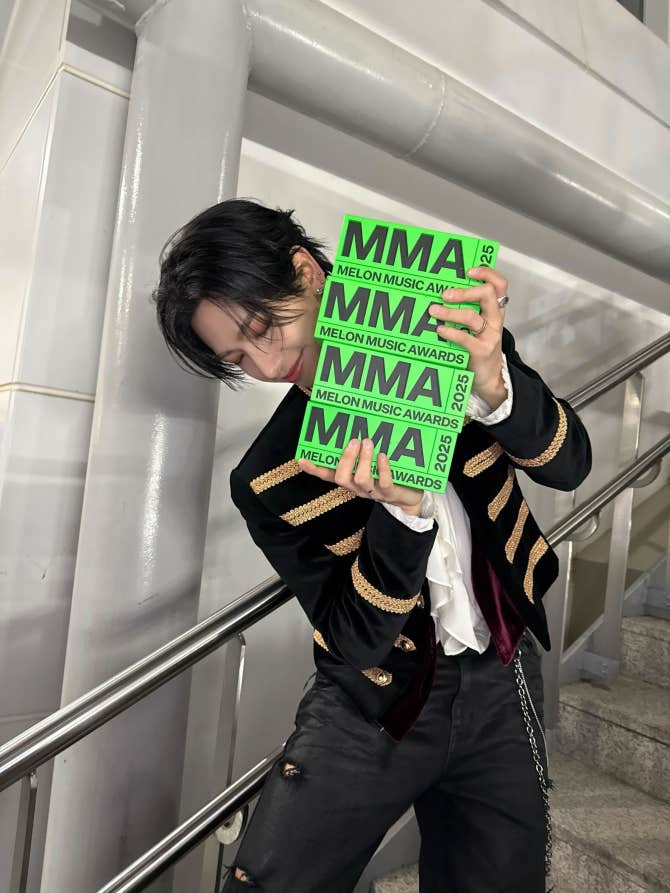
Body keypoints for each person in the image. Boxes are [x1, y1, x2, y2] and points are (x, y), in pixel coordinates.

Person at [153, 198, 591, 893]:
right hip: (375, 702)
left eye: (264, 327)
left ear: (305, 271)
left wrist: (493, 385)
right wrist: (402, 515)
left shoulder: (450, 338)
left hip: (502, 670)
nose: (269, 361)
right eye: (238, 357)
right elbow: (355, 639)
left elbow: (569, 466)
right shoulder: (270, 476)